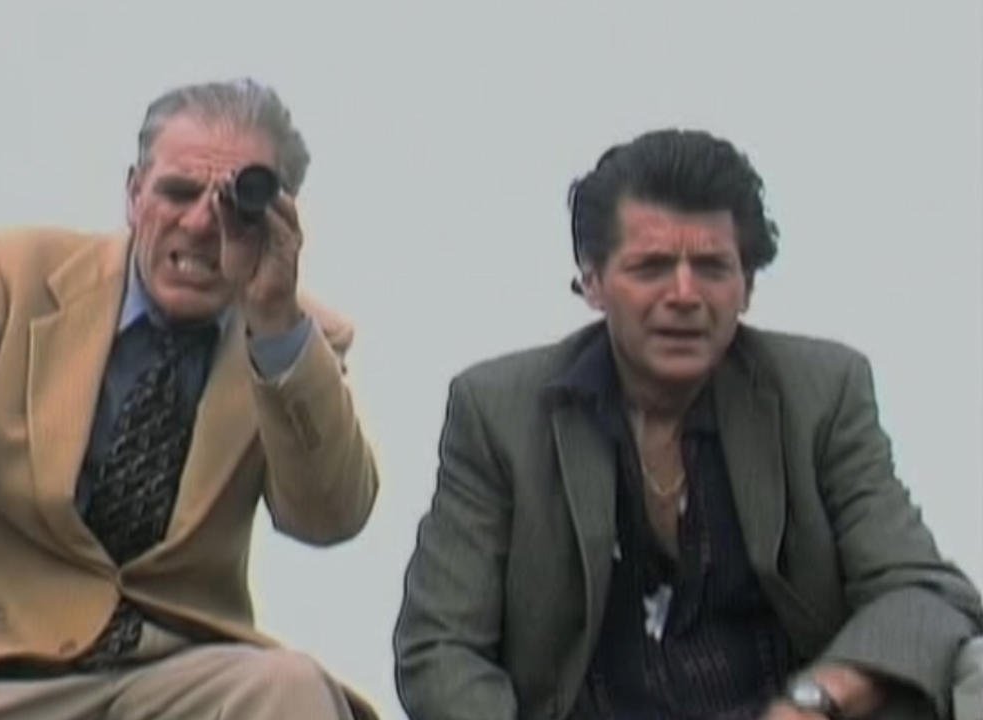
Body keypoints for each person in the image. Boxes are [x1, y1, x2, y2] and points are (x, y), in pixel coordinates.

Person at [0, 78, 380, 720]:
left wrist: (275, 325)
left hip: (178, 670)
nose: (201, 224)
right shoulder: (13, 276)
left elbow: (328, 516)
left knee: (291, 687)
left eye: (238, 205)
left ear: (280, 219)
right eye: (177, 192)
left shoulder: (291, 340)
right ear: (133, 193)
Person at [394, 128, 983, 719]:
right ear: (592, 282)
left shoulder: (822, 392)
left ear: (747, 286)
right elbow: (439, 647)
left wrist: (817, 700)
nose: (684, 294)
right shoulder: (497, 412)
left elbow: (925, 593)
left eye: (711, 267)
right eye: (650, 267)